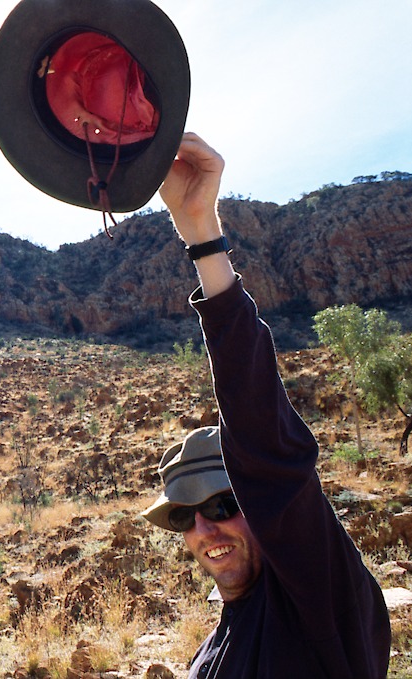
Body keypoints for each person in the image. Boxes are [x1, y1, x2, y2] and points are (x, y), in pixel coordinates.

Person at [140, 132, 391, 678]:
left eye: (224, 505)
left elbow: (264, 438)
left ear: (265, 502)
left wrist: (203, 237)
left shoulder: (319, 604)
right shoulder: (213, 652)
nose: (205, 531)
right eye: (186, 515)